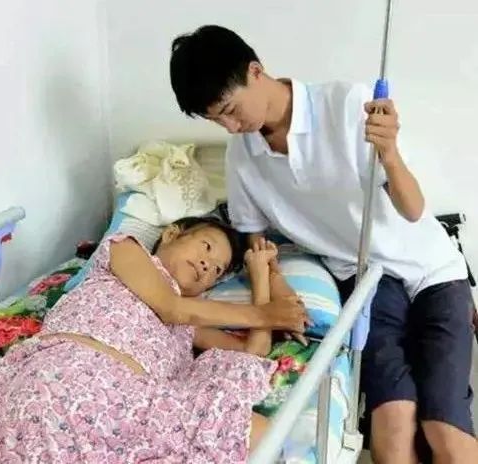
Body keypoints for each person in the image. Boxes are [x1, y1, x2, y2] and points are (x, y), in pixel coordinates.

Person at [169, 25, 478, 463]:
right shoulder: (243, 156)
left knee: (442, 429)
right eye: (217, 119)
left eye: (231, 110)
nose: (231, 126)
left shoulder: (348, 105)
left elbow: (413, 210)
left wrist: (390, 153)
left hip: (431, 270)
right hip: (365, 281)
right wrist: (277, 290)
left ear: (255, 71)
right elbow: (256, 240)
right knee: (392, 436)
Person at [0, 216, 307, 463]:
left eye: (217, 271)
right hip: (67, 375)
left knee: (260, 433)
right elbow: (170, 307)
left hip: (134, 410)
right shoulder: (125, 249)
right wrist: (268, 314)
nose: (207, 265)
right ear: (172, 233)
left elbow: (251, 355)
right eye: (206, 247)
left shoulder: (190, 323)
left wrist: (261, 277)